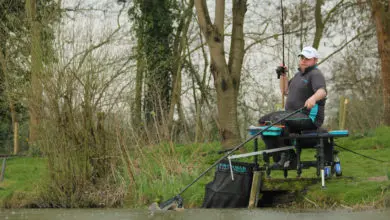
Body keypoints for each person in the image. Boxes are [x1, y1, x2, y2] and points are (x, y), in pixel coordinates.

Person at [259, 46, 327, 168]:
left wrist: (313, 98)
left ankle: (288, 156)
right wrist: (283, 75)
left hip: (308, 118)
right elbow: (285, 91)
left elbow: (322, 91)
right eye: (302, 57)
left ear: (315, 60)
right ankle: (279, 155)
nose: (303, 60)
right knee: (264, 121)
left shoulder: (315, 74)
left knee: (278, 119)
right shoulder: (298, 75)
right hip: (292, 115)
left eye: (307, 58)